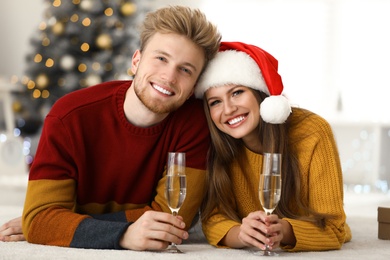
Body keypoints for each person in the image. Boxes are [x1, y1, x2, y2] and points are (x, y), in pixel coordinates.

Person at [0, 5, 221, 250]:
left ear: (193, 87)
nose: (169, 76)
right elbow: (40, 219)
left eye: (185, 69)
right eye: (161, 58)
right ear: (136, 61)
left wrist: (63, 222)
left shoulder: (194, 125)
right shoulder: (69, 117)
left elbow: (171, 219)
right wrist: (123, 234)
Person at [195, 41, 352, 252]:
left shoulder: (313, 131)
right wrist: (242, 233)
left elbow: (334, 228)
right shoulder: (217, 142)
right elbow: (213, 219)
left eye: (237, 92)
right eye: (215, 102)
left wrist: (284, 231)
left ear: (262, 95)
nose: (228, 109)